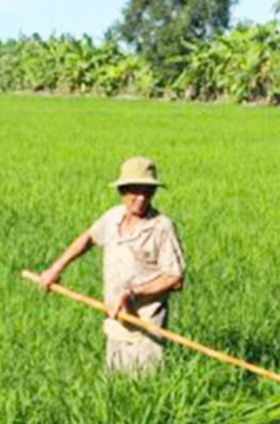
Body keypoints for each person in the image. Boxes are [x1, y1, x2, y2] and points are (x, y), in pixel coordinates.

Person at [38, 156, 186, 373]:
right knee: (114, 385)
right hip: (114, 321)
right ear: (122, 191)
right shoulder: (112, 217)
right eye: (135, 190)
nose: (141, 197)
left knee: (146, 386)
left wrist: (132, 294)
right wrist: (55, 269)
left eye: (148, 191)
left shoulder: (161, 227)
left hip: (146, 327)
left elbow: (175, 278)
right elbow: (88, 238)